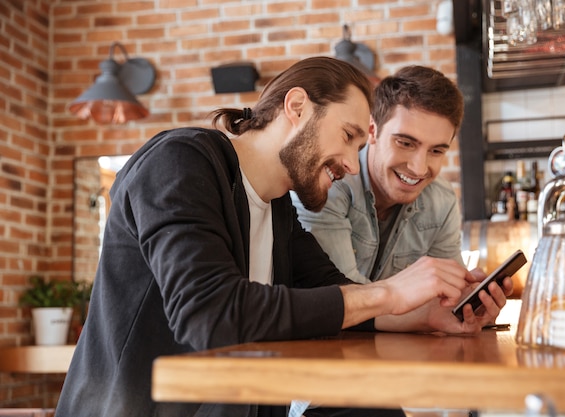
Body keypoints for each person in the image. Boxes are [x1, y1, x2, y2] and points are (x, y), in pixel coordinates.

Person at [55, 57, 511, 417]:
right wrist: (390, 293)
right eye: (350, 135)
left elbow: (341, 302)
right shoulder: (180, 162)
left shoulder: (277, 210)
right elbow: (208, 316)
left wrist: (428, 317)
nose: (353, 165)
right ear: (297, 108)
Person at [292, 65, 470, 285]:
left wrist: (468, 298)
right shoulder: (330, 184)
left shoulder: (441, 201)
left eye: (436, 151)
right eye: (405, 143)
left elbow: (447, 288)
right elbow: (341, 296)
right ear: (372, 131)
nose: (419, 169)